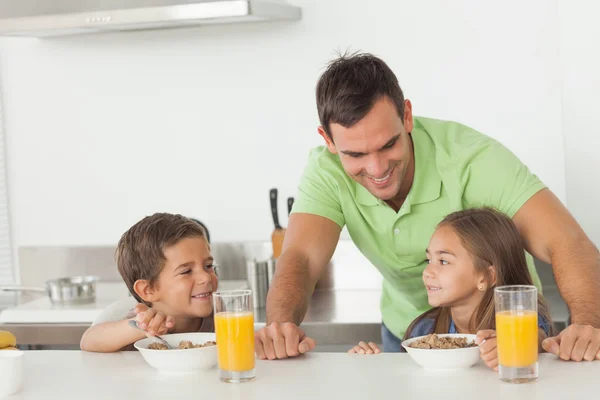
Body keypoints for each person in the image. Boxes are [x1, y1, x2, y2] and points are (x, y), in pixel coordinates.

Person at [255, 52, 600, 361]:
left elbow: (566, 242)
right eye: (355, 154)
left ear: (406, 116)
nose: (377, 169)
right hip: (411, 334)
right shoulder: (324, 171)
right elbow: (300, 258)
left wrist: (587, 325)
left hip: (508, 331)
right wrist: (281, 326)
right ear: (328, 140)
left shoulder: (471, 159)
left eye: (388, 145)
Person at [349, 208, 568, 369]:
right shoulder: (425, 331)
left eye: (443, 261)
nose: (427, 272)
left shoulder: (519, 319)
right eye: (429, 260)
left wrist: (514, 345)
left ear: (487, 276)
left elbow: (538, 339)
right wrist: (373, 365)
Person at [80, 213, 217, 352]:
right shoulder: (143, 320)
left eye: (208, 266)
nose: (205, 277)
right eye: (186, 271)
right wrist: (141, 328)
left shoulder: (226, 318)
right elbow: (88, 341)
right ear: (148, 290)